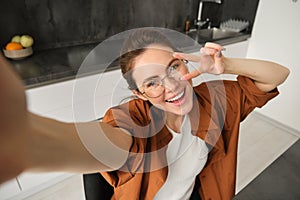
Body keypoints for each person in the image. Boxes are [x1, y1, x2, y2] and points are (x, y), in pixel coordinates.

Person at [0, 28, 289, 200]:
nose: (172, 85)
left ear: (185, 62)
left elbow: (277, 75)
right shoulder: (131, 119)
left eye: (173, 68)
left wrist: (224, 65)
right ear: (139, 94)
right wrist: (22, 137)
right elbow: (105, 145)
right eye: (152, 83)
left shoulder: (214, 100)